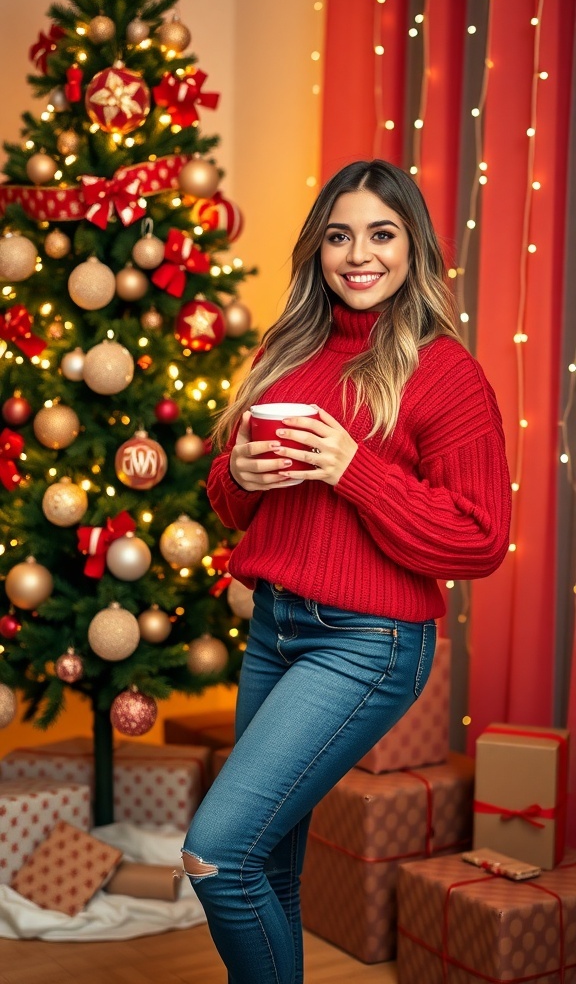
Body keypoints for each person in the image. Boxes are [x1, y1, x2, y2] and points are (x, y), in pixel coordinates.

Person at [180, 159, 511, 984]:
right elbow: (234, 501)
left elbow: (480, 540)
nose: (359, 255)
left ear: (413, 247)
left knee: (216, 854)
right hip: (275, 626)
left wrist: (353, 469)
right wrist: (237, 476)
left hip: (367, 644)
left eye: (381, 234)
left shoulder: (446, 372)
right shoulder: (287, 350)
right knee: (267, 868)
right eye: (339, 235)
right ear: (317, 250)